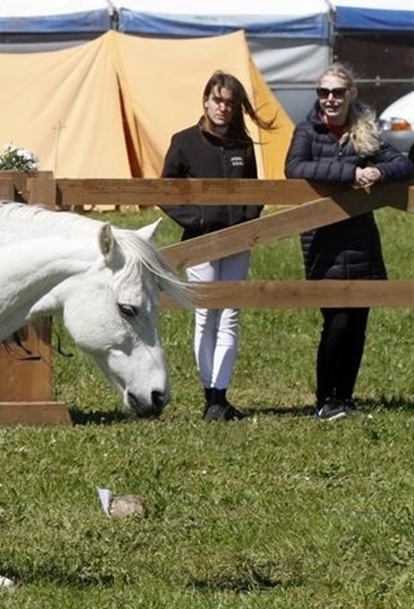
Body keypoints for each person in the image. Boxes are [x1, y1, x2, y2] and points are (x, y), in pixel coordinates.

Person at [284, 63, 414, 420]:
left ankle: (345, 398)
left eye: (337, 92)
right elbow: (295, 168)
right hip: (322, 240)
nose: (330, 99)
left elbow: (404, 165)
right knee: (337, 321)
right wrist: (350, 173)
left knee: (357, 322)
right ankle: (325, 399)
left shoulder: (365, 129)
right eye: (323, 92)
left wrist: (378, 171)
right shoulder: (307, 131)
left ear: (350, 94)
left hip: (360, 239)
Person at [160, 71, 277, 420]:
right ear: (205, 101)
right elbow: (165, 189)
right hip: (201, 241)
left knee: (230, 314)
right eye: (218, 100)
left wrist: (248, 219)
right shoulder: (184, 141)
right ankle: (209, 394)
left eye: (230, 102)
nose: (223, 107)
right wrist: (195, 220)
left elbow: (255, 190)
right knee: (206, 313)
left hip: (238, 240)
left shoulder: (243, 144)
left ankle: (220, 395)